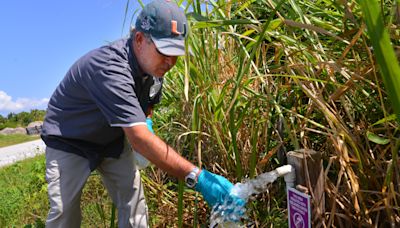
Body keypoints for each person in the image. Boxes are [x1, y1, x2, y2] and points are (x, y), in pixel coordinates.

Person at [41, 0, 243, 227]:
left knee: (135, 208)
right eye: (164, 51)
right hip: (70, 138)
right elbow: (138, 138)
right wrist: (197, 177)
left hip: (112, 140)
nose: (170, 62)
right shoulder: (111, 68)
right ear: (139, 39)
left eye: (176, 53)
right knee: (64, 214)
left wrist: (146, 121)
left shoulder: (155, 69)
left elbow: (147, 106)